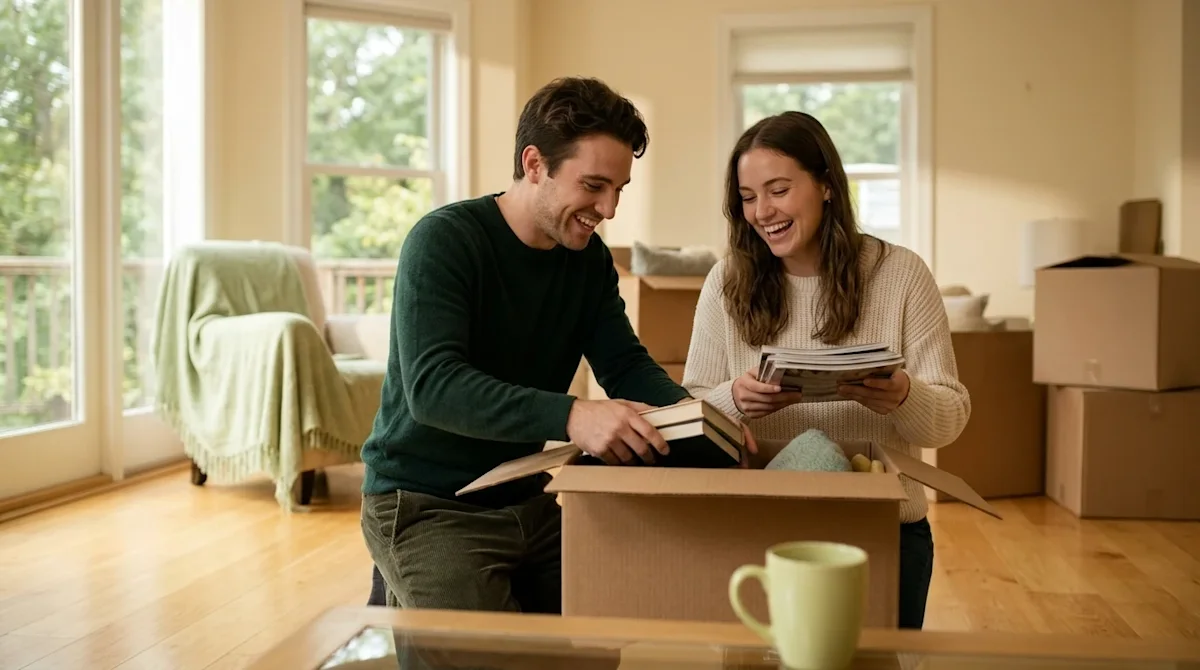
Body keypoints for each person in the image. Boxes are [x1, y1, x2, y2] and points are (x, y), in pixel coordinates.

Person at [360, 76, 737, 614]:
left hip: (524, 494)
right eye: (593, 186)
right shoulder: (444, 241)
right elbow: (433, 388)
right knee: (488, 657)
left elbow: (626, 364)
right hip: (423, 502)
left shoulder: (587, 262)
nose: (608, 209)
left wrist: (700, 420)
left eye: (619, 189)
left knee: (598, 632)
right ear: (535, 164)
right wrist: (572, 416)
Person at [681, 111, 969, 630]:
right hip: (761, 530)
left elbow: (948, 421)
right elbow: (691, 410)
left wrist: (903, 396)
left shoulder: (901, 275)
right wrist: (734, 400)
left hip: (884, 532)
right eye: (748, 197)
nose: (762, 211)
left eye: (778, 190)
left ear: (828, 186)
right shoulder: (726, 282)